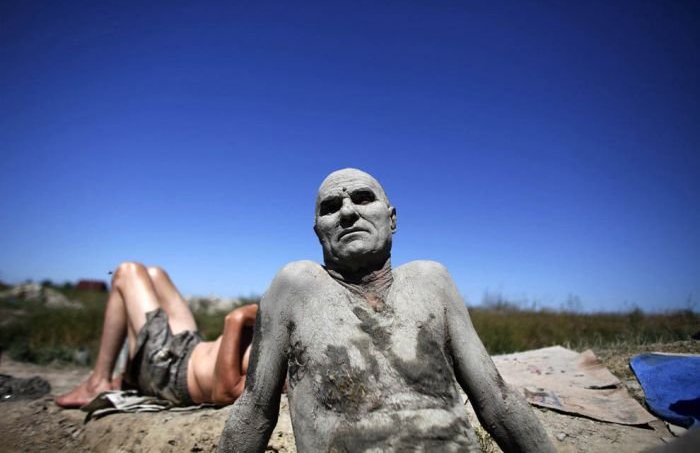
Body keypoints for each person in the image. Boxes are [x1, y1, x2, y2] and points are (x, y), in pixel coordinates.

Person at [218, 168, 555, 452]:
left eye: (363, 198)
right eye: (331, 207)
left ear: (391, 219)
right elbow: (256, 409)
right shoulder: (294, 287)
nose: (348, 213)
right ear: (318, 231)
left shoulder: (432, 280)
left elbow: (496, 400)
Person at [56, 262, 257, 408]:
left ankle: (97, 382)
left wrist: (237, 319)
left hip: (170, 371)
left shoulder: (286, 366)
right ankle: (129, 373)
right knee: (155, 275)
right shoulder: (286, 336)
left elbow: (224, 393)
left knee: (127, 272)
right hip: (189, 347)